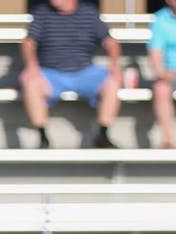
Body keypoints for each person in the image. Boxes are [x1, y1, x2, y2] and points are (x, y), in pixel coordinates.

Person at [19, 0, 121, 148]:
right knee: (30, 81)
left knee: (113, 81)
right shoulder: (42, 13)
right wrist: (31, 66)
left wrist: (115, 68)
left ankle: (103, 134)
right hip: (51, 73)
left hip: (85, 72)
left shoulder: (89, 13)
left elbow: (111, 43)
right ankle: (42, 137)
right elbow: (28, 43)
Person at [149, 0, 176, 148]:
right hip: (171, 73)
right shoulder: (160, 20)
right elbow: (156, 55)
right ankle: (167, 140)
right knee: (160, 89)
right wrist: (162, 74)